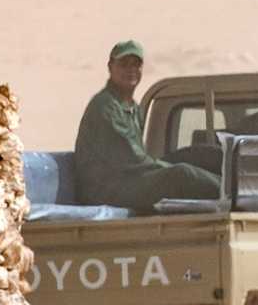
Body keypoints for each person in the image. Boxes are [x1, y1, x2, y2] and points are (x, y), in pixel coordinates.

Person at [74, 40, 221, 211]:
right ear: (110, 66)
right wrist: (171, 169)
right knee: (182, 174)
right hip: (106, 189)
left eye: (136, 65)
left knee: (200, 155)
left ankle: (239, 181)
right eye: (124, 64)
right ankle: (236, 193)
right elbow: (133, 158)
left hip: (128, 178)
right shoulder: (105, 106)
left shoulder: (133, 108)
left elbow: (138, 161)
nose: (131, 71)